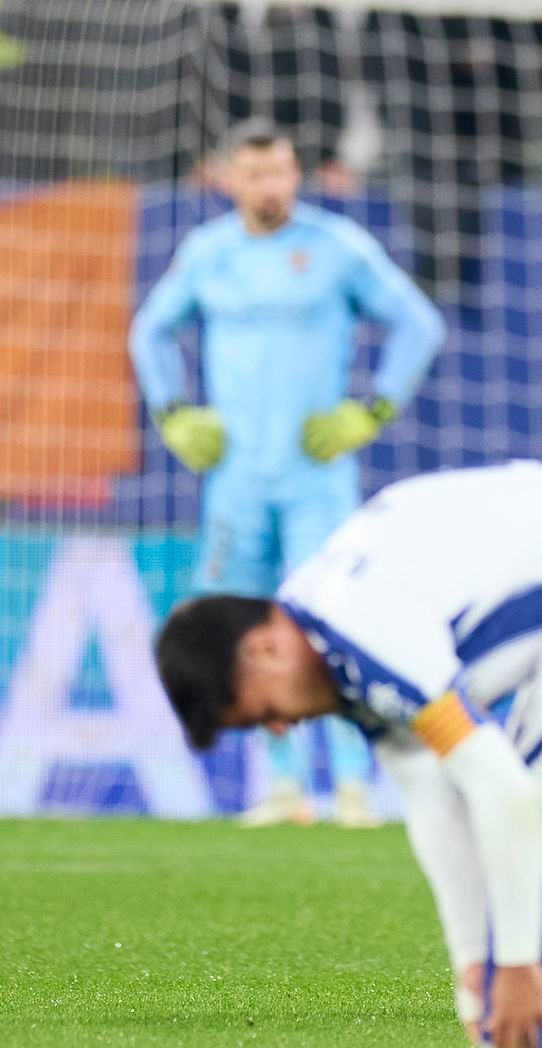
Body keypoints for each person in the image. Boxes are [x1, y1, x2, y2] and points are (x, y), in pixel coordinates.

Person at [152, 461, 542, 1048]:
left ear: (263, 649)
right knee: (535, 834)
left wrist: (514, 964)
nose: (277, 728)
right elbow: (428, 794)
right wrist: (472, 960)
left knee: (532, 819)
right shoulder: (333, 642)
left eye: (261, 712)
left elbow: (503, 791)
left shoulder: (361, 630)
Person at [130, 119, 444, 828]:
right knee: (241, 628)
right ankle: (283, 787)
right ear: (228, 179)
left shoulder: (336, 246)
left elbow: (419, 323)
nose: (269, 186)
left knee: (331, 622)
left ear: (295, 173)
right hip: (235, 478)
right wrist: (173, 411)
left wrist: (372, 409)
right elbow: (149, 330)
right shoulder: (208, 253)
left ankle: (356, 787)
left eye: (280, 172)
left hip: (315, 476)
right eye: (255, 174)